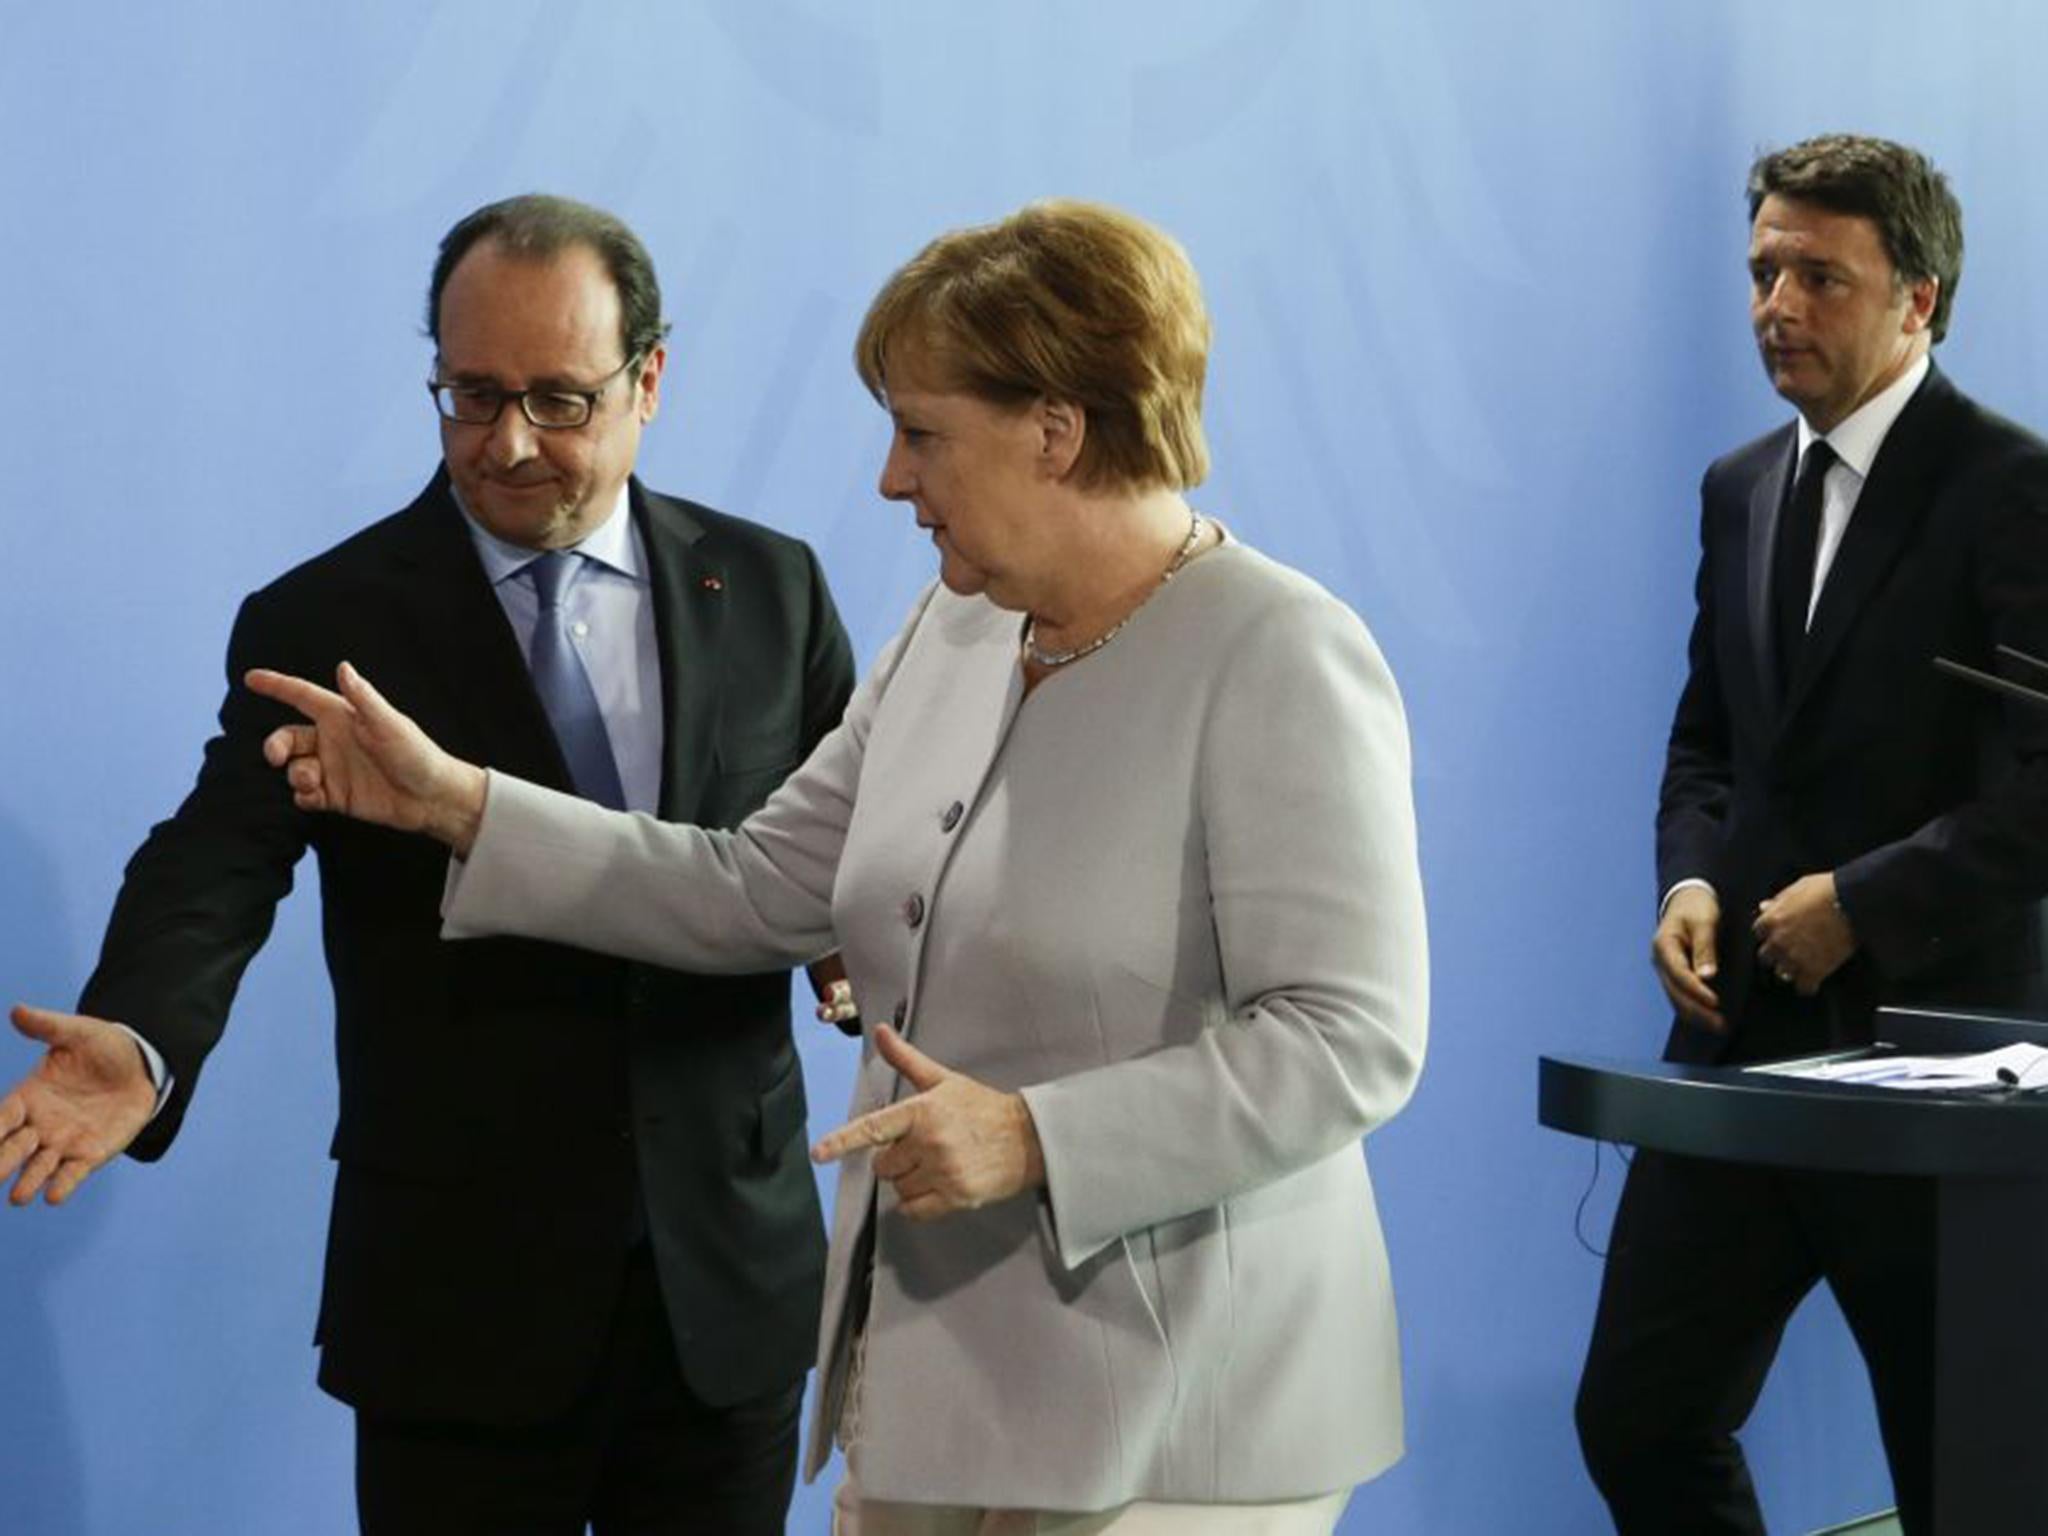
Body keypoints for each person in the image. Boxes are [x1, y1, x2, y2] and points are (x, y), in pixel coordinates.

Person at [246, 199, 1430, 1535]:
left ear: (1056, 428)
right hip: (941, 1397)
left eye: (922, 433)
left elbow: (1350, 1040)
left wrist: (1039, 1135)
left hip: (1185, 1428)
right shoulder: (956, 626)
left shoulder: (1278, 653)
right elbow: (752, 887)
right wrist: (462, 806)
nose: (890, 479)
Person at [0, 194, 856, 1534]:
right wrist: (145, 1036)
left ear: (652, 380)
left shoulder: (774, 589)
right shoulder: (330, 617)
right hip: (464, 1296)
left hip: (726, 1287)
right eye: (470, 395)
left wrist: (854, 961)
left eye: (561, 400)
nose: (509, 443)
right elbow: (216, 860)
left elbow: (832, 856)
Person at [1574, 136, 2048, 1535]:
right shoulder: (1739, 487)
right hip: (1742, 1053)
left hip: (1944, 1061)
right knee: (1636, 1422)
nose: (1778, 303)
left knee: (1976, 1481)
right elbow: (1710, 742)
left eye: (1819, 277)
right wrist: (1691, 882)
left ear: (1920, 298)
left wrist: (1867, 898)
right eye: (1765, 271)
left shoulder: (2011, 488)